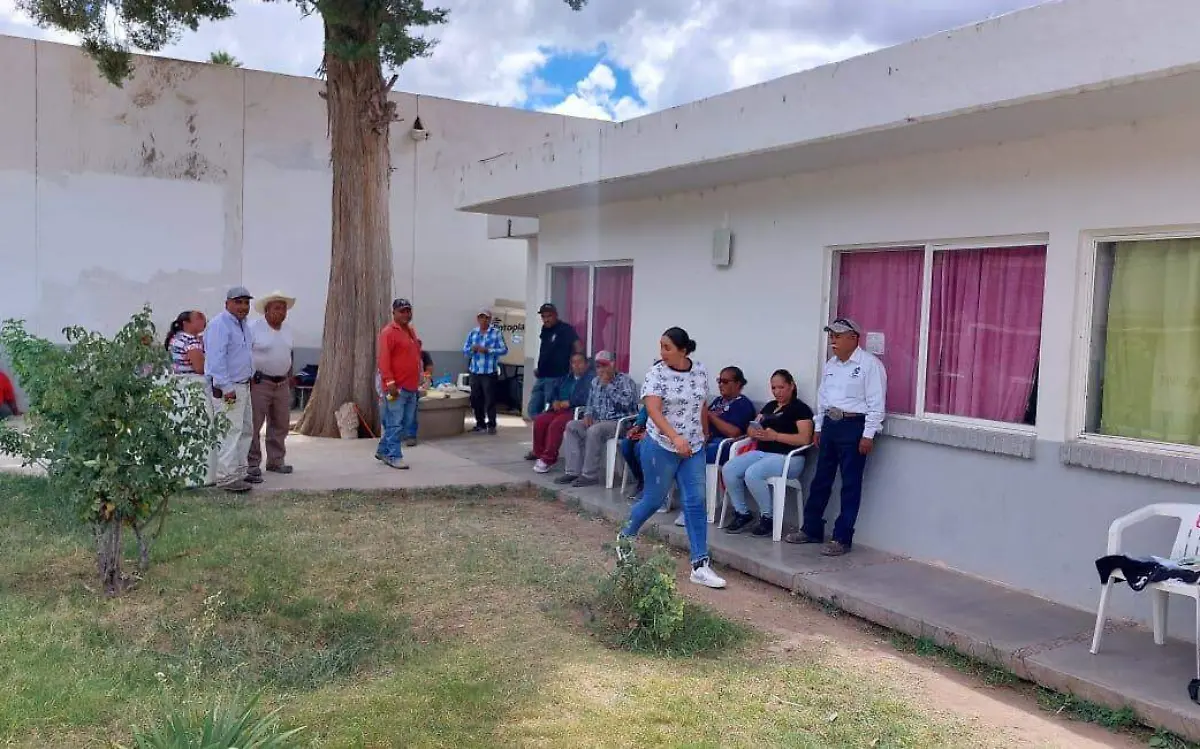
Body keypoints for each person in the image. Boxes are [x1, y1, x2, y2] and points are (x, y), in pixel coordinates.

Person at [617, 327, 726, 589]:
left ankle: (700, 565)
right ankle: (624, 539)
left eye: (667, 347)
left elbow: (700, 404)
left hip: (693, 448)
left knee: (696, 501)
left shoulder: (699, 370)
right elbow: (653, 410)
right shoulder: (656, 373)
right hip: (662, 446)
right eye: (661, 347)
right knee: (654, 499)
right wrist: (675, 438)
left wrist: (704, 433)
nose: (662, 353)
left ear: (683, 350)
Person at [787, 317, 886, 556]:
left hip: (854, 426)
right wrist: (819, 426)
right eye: (831, 335)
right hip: (831, 424)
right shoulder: (831, 365)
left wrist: (868, 434)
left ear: (854, 338)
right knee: (821, 479)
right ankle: (811, 529)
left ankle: (842, 537)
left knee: (850, 484)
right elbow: (823, 398)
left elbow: (876, 402)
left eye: (838, 336)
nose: (833, 340)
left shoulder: (870, 365)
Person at [722, 369, 815, 536]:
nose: (777, 392)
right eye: (773, 388)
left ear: (791, 386)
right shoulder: (770, 406)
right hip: (763, 452)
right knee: (729, 468)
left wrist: (776, 436)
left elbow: (805, 439)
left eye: (781, 387)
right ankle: (742, 513)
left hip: (789, 458)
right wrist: (754, 432)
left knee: (753, 473)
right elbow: (752, 425)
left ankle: (767, 518)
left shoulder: (800, 409)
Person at [554, 351, 638, 488]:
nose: (601, 370)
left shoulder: (626, 381)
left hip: (619, 424)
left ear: (613, 364)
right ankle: (573, 471)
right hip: (598, 421)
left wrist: (608, 386)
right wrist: (588, 414)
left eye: (604, 366)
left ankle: (589, 475)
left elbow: (627, 404)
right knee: (572, 426)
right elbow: (590, 403)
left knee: (594, 431)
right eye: (598, 366)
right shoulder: (595, 381)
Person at [204, 287, 256, 493]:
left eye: (246, 302)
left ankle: (240, 471)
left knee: (246, 429)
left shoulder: (244, 326)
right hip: (229, 388)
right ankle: (226, 476)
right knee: (230, 431)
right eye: (238, 302)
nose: (243, 306)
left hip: (244, 384)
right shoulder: (219, 325)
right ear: (227, 304)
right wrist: (226, 387)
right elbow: (216, 360)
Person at [164, 310, 215, 486]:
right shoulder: (191, 341)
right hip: (194, 388)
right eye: (199, 318)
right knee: (199, 429)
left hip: (178, 389)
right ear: (187, 322)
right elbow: (200, 368)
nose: (204, 321)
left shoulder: (175, 338)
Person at [248, 291, 296, 479]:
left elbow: (289, 352)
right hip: (260, 382)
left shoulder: (288, 329)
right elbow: (245, 352)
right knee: (254, 424)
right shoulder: (253, 328)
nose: (282, 312)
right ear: (266, 310)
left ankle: (276, 461)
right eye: (277, 308)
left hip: (282, 383)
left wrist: (290, 375)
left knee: (280, 423)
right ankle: (252, 463)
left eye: (284, 308)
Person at [376, 298, 421, 470]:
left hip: (411, 386)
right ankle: (394, 455)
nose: (406, 314)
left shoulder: (410, 331)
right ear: (393, 313)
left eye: (408, 311)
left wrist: (420, 378)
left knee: (405, 422)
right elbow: (384, 359)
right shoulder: (388, 332)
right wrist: (389, 382)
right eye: (402, 311)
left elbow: (415, 356)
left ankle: (382, 450)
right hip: (396, 387)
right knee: (395, 423)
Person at [529, 352, 592, 472]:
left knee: (556, 425)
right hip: (558, 409)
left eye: (580, 362)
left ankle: (548, 459)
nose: (576, 365)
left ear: (586, 364)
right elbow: (553, 392)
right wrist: (554, 401)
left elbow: (589, 397)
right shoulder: (566, 377)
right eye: (574, 363)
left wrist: (570, 402)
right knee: (540, 420)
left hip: (575, 411)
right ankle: (539, 454)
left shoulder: (590, 379)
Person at [527, 303, 581, 418]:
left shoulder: (565, 329)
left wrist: (576, 366)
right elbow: (545, 349)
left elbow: (578, 347)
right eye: (543, 317)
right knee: (532, 410)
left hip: (557, 377)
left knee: (550, 411)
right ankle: (540, 431)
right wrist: (539, 367)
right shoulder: (545, 329)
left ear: (555, 315)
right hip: (541, 376)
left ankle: (546, 433)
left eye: (549, 316)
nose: (546, 319)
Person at [462, 308, 509, 435]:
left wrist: (488, 350)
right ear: (478, 319)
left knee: (490, 399)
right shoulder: (473, 333)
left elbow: (504, 350)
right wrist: (472, 349)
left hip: (489, 372)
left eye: (486, 318)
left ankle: (492, 424)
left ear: (490, 319)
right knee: (476, 399)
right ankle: (480, 423)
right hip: (475, 371)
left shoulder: (496, 333)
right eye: (481, 317)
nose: (484, 320)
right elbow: (465, 350)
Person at [405, 341, 435, 447]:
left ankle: (411, 435)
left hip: (416, 385)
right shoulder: (404, 354)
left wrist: (427, 381)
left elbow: (429, 368)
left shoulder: (424, 355)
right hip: (403, 384)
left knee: (412, 411)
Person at [617, 404, 649, 499]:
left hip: (662, 432)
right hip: (646, 428)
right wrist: (637, 426)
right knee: (626, 444)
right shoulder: (654, 394)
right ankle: (641, 480)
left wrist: (649, 432)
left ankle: (649, 484)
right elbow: (645, 411)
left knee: (640, 447)